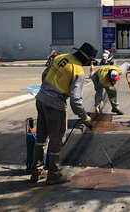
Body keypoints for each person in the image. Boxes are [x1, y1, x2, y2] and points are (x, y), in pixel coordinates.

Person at [30, 42, 98, 185]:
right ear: (86, 58)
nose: (88, 64)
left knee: (41, 137)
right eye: (89, 61)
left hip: (41, 99)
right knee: (56, 140)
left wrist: (47, 90)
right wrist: (85, 117)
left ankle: (36, 171)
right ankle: (53, 174)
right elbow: (75, 100)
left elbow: (44, 74)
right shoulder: (78, 70)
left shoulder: (61, 57)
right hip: (55, 105)